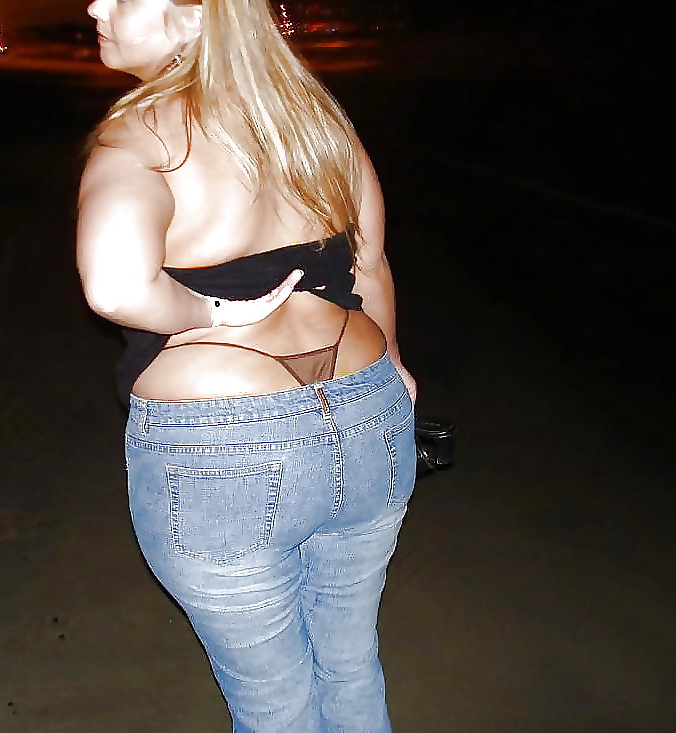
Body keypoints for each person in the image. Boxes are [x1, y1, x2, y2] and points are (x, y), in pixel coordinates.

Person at [76, 0, 417, 730]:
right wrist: (394, 362)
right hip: (369, 410)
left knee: (273, 704)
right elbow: (371, 265)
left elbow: (115, 287)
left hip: (224, 445)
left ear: (194, 16)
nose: (95, 6)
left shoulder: (139, 139)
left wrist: (208, 313)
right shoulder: (316, 119)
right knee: (351, 662)